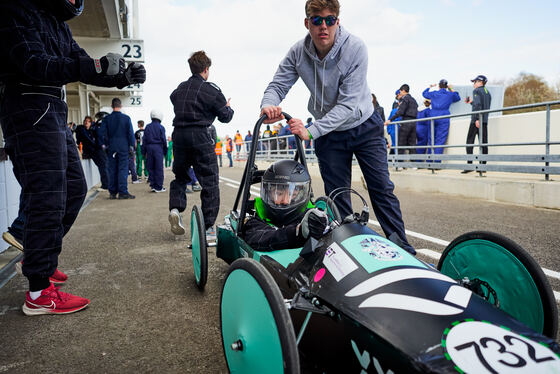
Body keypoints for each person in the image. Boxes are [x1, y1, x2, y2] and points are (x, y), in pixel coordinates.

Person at [0, 0, 145, 315]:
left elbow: (82, 62)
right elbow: (34, 63)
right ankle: (38, 294)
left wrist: (123, 75)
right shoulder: (16, 9)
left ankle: (39, 260)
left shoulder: (59, 25)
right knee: (47, 195)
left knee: (75, 188)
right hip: (28, 108)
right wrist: (92, 67)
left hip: (54, 111)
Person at [260, 0, 415, 254]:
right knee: (337, 196)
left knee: (381, 188)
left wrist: (311, 131)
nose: (324, 26)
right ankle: (348, 252)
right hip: (330, 134)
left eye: (330, 19)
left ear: (338, 22)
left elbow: (347, 107)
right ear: (307, 23)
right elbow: (278, 84)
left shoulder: (355, 48)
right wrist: (268, 105)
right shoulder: (298, 52)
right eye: (317, 19)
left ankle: (404, 249)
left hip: (364, 125)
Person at [168, 50, 234, 238]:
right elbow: (225, 117)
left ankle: (175, 209)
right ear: (206, 69)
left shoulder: (179, 89)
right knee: (210, 181)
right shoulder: (211, 90)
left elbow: (173, 99)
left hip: (179, 135)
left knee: (180, 176)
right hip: (200, 136)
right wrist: (228, 107)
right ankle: (208, 227)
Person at [243, 160, 329, 251]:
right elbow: (258, 238)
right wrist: (297, 232)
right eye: (279, 194)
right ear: (267, 193)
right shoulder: (255, 215)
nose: (286, 201)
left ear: (302, 194)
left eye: (293, 195)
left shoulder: (310, 215)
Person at [99, 98, 137, 199]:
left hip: (111, 147)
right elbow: (130, 134)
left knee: (112, 169)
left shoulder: (107, 119)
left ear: (112, 106)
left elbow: (101, 133)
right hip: (123, 147)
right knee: (123, 169)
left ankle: (112, 192)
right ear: (120, 106)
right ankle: (123, 192)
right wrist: (132, 146)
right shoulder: (126, 118)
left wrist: (104, 145)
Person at [421, 79, 460, 161]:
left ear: (439, 86)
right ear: (446, 86)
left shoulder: (434, 93)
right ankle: (436, 162)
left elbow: (424, 94)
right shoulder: (450, 94)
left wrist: (430, 87)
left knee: (431, 139)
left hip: (433, 116)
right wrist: (451, 89)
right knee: (440, 140)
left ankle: (429, 161)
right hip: (443, 116)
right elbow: (458, 97)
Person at [462, 74, 492, 174]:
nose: (473, 84)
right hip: (484, 120)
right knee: (483, 143)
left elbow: (478, 105)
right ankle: (483, 166)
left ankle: (469, 165)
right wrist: (471, 102)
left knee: (469, 142)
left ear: (480, 82)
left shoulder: (476, 91)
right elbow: (481, 105)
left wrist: (476, 119)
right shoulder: (487, 92)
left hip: (476, 120)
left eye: (475, 82)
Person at [75, 115, 109, 189]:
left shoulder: (95, 129)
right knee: (103, 167)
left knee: (103, 166)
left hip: (98, 150)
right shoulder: (82, 130)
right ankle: (106, 184)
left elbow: (98, 139)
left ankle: (106, 185)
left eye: (88, 121)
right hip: (92, 151)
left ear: (91, 123)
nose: (86, 122)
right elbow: (79, 141)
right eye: (85, 121)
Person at [385, 84, 418, 159]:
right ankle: (414, 164)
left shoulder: (405, 99)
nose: (400, 93)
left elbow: (400, 111)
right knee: (412, 143)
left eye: (400, 92)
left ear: (403, 91)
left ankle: (399, 164)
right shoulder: (413, 100)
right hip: (414, 122)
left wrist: (390, 120)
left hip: (406, 122)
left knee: (401, 143)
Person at [143, 109, 167, 192]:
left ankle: (153, 185)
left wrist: (143, 152)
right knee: (159, 168)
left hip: (149, 148)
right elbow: (164, 140)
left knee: (151, 167)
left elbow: (144, 140)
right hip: (158, 148)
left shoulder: (147, 127)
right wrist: (165, 151)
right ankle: (159, 187)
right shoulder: (161, 127)